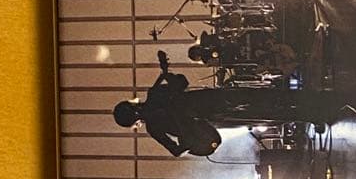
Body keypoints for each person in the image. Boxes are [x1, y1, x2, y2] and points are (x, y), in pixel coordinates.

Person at [113, 50, 337, 156]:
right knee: (262, 98)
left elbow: (176, 150)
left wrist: (190, 136)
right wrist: (167, 77)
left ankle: (311, 116)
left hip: (214, 120)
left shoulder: (154, 128)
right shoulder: (154, 95)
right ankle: (311, 100)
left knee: (263, 116)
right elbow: (183, 82)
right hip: (212, 100)